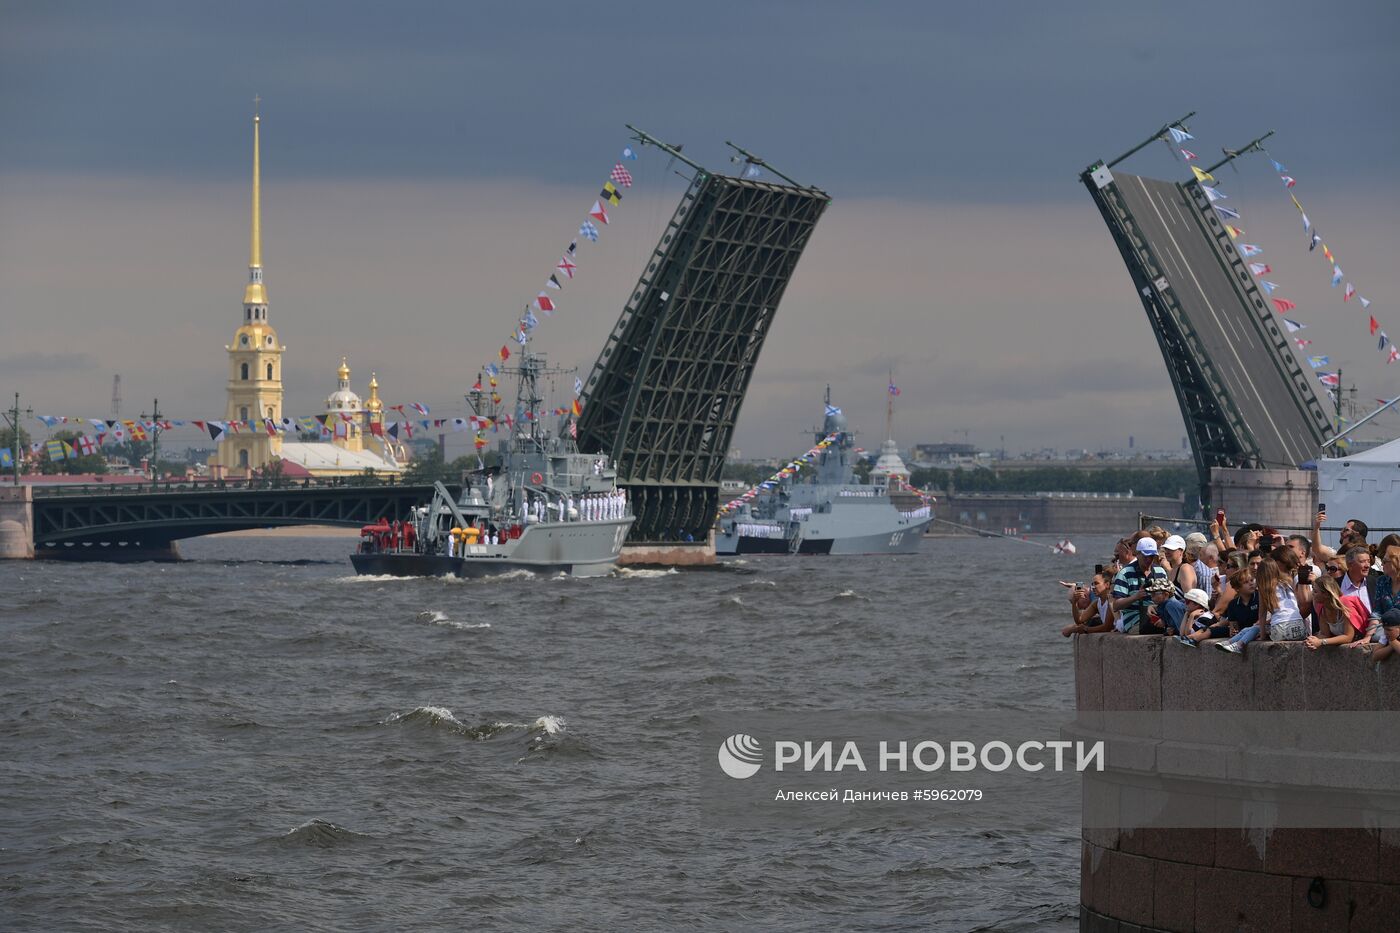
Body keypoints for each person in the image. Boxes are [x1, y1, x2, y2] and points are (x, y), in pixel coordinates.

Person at [1111, 537, 1168, 634]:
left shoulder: (1160, 572)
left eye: (1151, 556)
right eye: (1145, 556)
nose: (1148, 559)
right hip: (1134, 618)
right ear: (1137, 554)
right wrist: (1136, 597)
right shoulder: (1125, 573)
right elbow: (1116, 606)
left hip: (1157, 614)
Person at [1305, 574, 1368, 649]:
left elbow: (1348, 637)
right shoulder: (1321, 607)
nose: (1312, 593)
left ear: (1326, 594)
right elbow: (1325, 634)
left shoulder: (1345, 605)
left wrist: (1321, 642)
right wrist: (1311, 640)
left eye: (1315, 591)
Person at [1063, 572, 1117, 637]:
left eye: (1096, 583)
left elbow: (1107, 627)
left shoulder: (1112, 600)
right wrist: (1074, 602)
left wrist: (1086, 629)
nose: (1093, 587)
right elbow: (1080, 620)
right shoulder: (1097, 603)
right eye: (1092, 584)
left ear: (1107, 584)